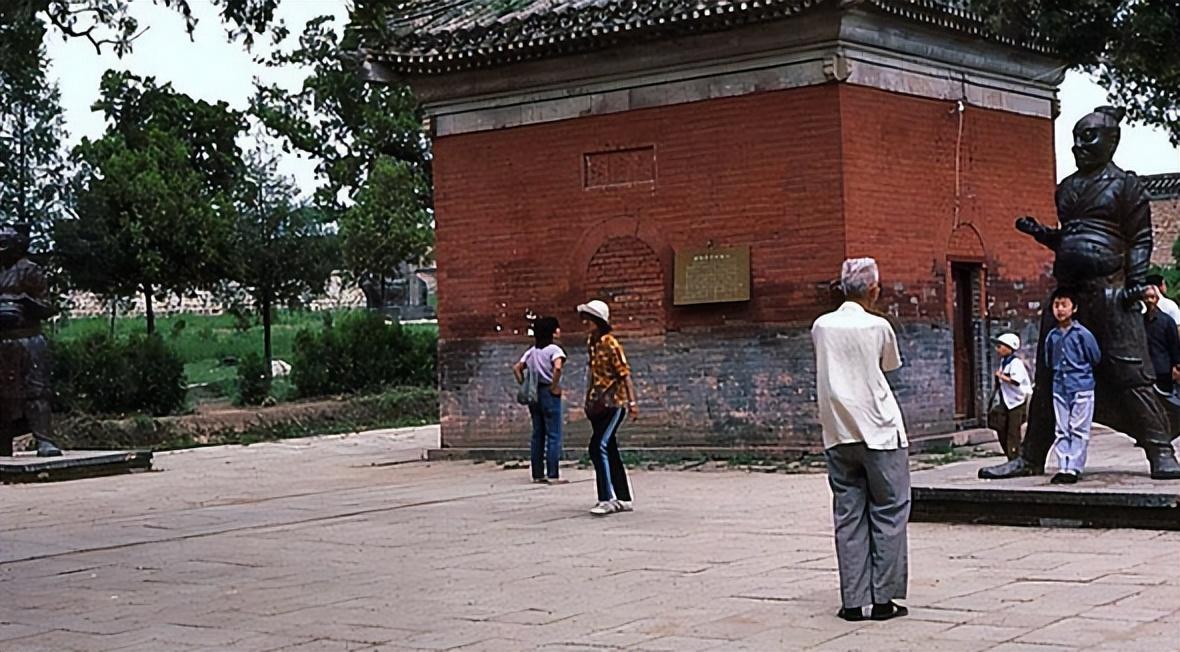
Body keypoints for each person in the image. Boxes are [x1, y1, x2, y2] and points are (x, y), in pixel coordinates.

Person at [979, 106, 1180, 481]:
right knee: (1050, 372)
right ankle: (1031, 456)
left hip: (1112, 293)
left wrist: (1136, 279)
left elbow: (1139, 239)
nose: (1079, 146)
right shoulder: (1068, 188)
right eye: (1075, 139)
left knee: (1129, 371)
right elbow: (1071, 239)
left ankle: (1161, 451)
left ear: (1111, 141)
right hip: (1068, 294)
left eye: (1088, 138)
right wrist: (1041, 233)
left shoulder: (1125, 186)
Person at [811, 258, 910, 622]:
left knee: (848, 515)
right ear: (873, 290)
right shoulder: (878, 326)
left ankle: (852, 602)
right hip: (881, 430)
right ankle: (884, 600)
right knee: (889, 512)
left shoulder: (821, 326)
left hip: (838, 432)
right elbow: (888, 367)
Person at [577, 299, 637, 516]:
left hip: (615, 403)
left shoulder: (611, 343)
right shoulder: (591, 344)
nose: (586, 324)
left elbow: (624, 374)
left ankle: (606, 498)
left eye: (589, 320)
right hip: (598, 403)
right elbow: (592, 374)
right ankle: (623, 497)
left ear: (598, 321)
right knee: (609, 448)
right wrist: (588, 398)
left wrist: (632, 402)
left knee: (597, 446)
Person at [1044, 288, 1101, 484]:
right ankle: (1063, 465)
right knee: (1061, 428)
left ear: (1074, 308)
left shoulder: (1083, 334)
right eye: (1056, 305)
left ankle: (1074, 467)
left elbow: (1095, 357)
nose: (1060, 310)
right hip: (1060, 386)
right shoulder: (1052, 336)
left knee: (1078, 428)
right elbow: (1049, 361)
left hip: (1081, 385)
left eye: (1064, 305)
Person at [512, 316, 567, 484]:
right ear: (552, 331)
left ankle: (537, 474)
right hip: (549, 393)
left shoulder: (532, 351)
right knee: (553, 434)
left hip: (534, 394)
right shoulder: (554, 350)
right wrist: (554, 385)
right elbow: (557, 367)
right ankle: (552, 474)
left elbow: (517, 368)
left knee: (538, 434)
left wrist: (524, 384)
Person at [987, 333, 1032, 460]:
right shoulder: (1004, 362)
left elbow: (1016, 381)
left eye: (1000, 346)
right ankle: (1009, 454)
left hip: (1017, 401)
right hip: (1007, 400)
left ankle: (1014, 457)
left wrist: (1001, 376)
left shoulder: (1015, 363)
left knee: (1013, 431)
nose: (998, 349)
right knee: (1000, 426)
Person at [1143, 286, 1180, 395]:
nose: (1149, 301)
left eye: (1152, 297)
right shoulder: (1140, 321)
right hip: (1146, 370)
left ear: (1157, 299)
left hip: (1163, 370)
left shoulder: (1167, 321)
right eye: (1146, 298)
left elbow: (1174, 346)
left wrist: (1177, 366)